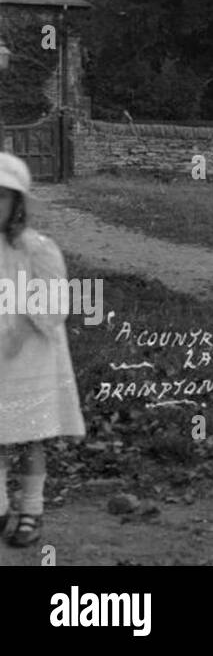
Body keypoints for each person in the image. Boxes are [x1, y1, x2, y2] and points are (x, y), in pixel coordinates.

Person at [0, 153, 86, 548]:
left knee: (30, 436)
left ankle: (32, 509)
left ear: (18, 204)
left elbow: (54, 307)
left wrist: (18, 321)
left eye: (2, 197)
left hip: (29, 355)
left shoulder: (37, 249)